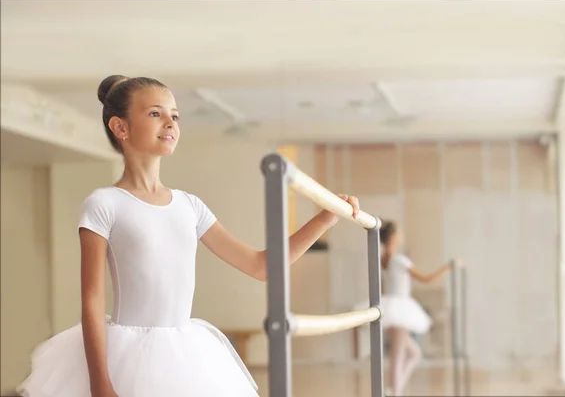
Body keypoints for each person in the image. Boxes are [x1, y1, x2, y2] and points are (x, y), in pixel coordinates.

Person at [17, 75, 362, 397]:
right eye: (155, 113)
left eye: (175, 116)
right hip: (126, 354)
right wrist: (100, 383)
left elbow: (263, 267)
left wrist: (323, 220)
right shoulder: (104, 204)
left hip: (186, 352)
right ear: (120, 126)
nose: (170, 123)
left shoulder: (190, 206)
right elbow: (92, 301)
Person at [378, 220, 463, 396]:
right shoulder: (399, 260)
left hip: (394, 306)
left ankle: (394, 390)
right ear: (393, 237)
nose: (402, 236)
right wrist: (449, 266)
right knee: (398, 354)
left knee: (413, 353)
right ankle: (395, 392)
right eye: (399, 233)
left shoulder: (385, 259)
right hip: (400, 309)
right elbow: (428, 279)